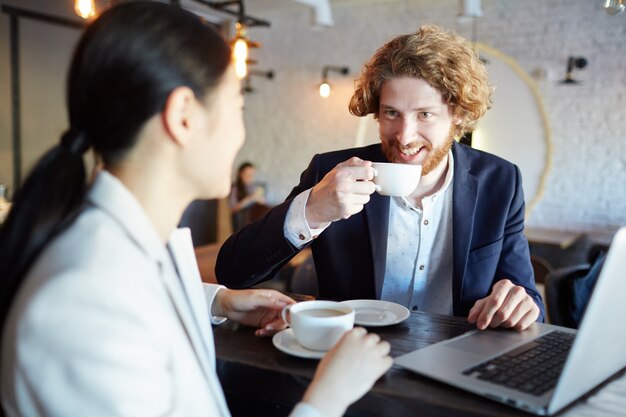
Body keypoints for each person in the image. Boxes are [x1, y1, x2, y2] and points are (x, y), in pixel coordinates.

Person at [0, 3, 392, 417]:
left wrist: (215, 301)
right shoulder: (87, 305)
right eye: (237, 108)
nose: (240, 134)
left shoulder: (137, 243)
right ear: (183, 116)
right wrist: (325, 398)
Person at [217, 25, 545, 331]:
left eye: (425, 115)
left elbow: (532, 304)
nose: (404, 137)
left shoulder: (500, 182)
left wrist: (521, 304)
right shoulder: (329, 173)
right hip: (347, 358)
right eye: (392, 113)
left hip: (455, 363)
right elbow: (233, 272)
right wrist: (313, 209)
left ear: (457, 115)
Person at [229, 161, 266, 231]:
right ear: (240, 174)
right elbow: (233, 208)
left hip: (252, 219)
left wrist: (259, 199)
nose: (249, 177)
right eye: (247, 174)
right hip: (239, 221)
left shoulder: (254, 187)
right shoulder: (235, 188)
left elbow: (263, 201)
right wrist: (249, 199)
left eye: (251, 175)